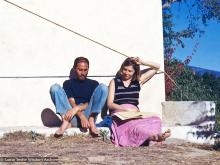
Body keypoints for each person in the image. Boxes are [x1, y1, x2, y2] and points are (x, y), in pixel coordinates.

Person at [107, 57, 171, 147]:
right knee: (134, 126)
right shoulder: (114, 82)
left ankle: (155, 136)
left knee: (155, 119)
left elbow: (157, 67)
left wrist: (143, 62)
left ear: (135, 72)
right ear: (122, 68)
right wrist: (126, 109)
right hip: (120, 113)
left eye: (130, 71)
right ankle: (154, 137)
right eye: (125, 69)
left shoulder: (138, 81)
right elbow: (110, 104)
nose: (126, 73)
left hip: (134, 114)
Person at [50, 57, 108, 137]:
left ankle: (91, 121)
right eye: (80, 70)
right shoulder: (68, 83)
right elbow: (71, 101)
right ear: (75, 69)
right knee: (55, 88)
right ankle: (65, 122)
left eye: (85, 70)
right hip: (71, 116)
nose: (83, 73)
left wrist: (77, 109)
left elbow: (92, 103)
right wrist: (81, 116)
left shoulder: (94, 84)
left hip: (88, 116)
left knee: (103, 87)